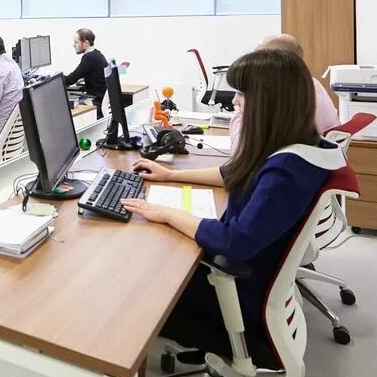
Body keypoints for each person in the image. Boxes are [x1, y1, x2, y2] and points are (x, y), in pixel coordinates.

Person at [122, 48, 347, 348]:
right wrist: (170, 175)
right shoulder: (294, 145)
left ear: (268, 101)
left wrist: (164, 212)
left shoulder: (286, 173)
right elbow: (233, 173)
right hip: (247, 275)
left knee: (131, 281)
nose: (236, 101)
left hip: (238, 300)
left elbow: (233, 241)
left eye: (241, 93)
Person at [229, 34, 338, 145]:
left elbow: (242, 146)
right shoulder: (309, 84)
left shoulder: (286, 97)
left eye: (259, 58)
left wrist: (241, 112)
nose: (253, 62)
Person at [63, 27, 108, 117]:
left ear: (86, 43)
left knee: (64, 107)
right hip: (99, 98)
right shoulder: (96, 54)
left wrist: (53, 79)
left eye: (76, 42)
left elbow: (70, 80)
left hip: (94, 101)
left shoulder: (89, 57)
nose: (74, 45)